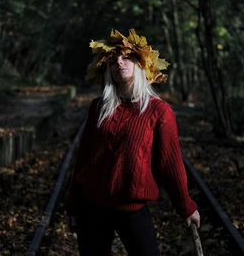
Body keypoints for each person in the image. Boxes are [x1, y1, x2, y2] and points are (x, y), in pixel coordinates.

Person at [65, 29, 200, 256]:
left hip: (133, 209)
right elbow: (84, 157)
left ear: (140, 64)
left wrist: (185, 206)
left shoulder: (159, 112)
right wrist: (72, 204)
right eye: (113, 60)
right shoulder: (99, 107)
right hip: (92, 206)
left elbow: (170, 164)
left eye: (126, 56)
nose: (119, 62)